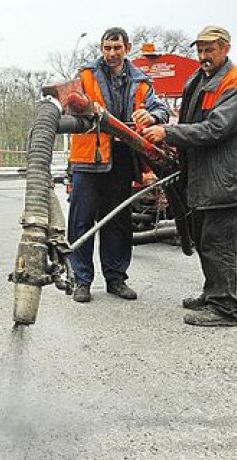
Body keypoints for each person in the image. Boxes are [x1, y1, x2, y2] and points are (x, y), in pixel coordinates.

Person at [142, 25, 237, 326]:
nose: (203, 55)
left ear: (225, 48)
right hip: (205, 174)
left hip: (228, 177)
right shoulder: (199, 79)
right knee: (203, 237)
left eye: (209, 49)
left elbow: (217, 128)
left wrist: (168, 132)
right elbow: (190, 121)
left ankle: (225, 308)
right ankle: (213, 293)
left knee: (218, 243)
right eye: (199, 50)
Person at [68, 27, 170, 303]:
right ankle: (82, 280)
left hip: (122, 159)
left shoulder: (141, 81)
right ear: (101, 49)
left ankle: (115, 278)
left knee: (118, 222)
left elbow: (163, 110)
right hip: (88, 160)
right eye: (107, 48)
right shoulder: (85, 75)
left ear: (128, 48)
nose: (111, 54)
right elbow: (69, 103)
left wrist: (150, 116)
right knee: (81, 222)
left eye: (117, 48)